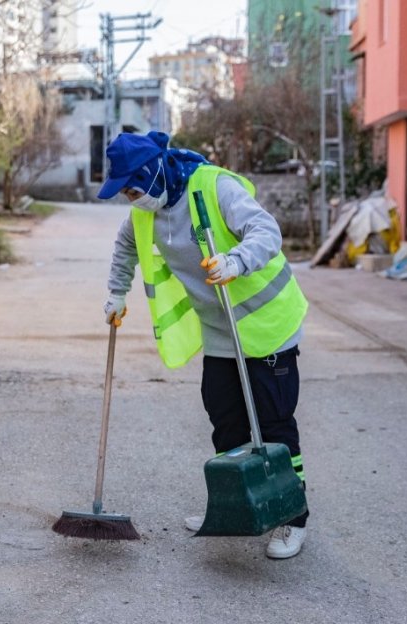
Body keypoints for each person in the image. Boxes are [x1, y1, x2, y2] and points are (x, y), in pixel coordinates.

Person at [98, 131, 310, 559]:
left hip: (268, 326)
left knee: (274, 424)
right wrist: (117, 292)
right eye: (125, 194)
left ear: (152, 174)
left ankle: (293, 516)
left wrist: (236, 261)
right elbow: (125, 247)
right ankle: (235, 504)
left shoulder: (214, 186)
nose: (130, 199)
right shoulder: (144, 212)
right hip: (220, 331)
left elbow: (266, 231)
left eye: (132, 190)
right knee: (225, 419)